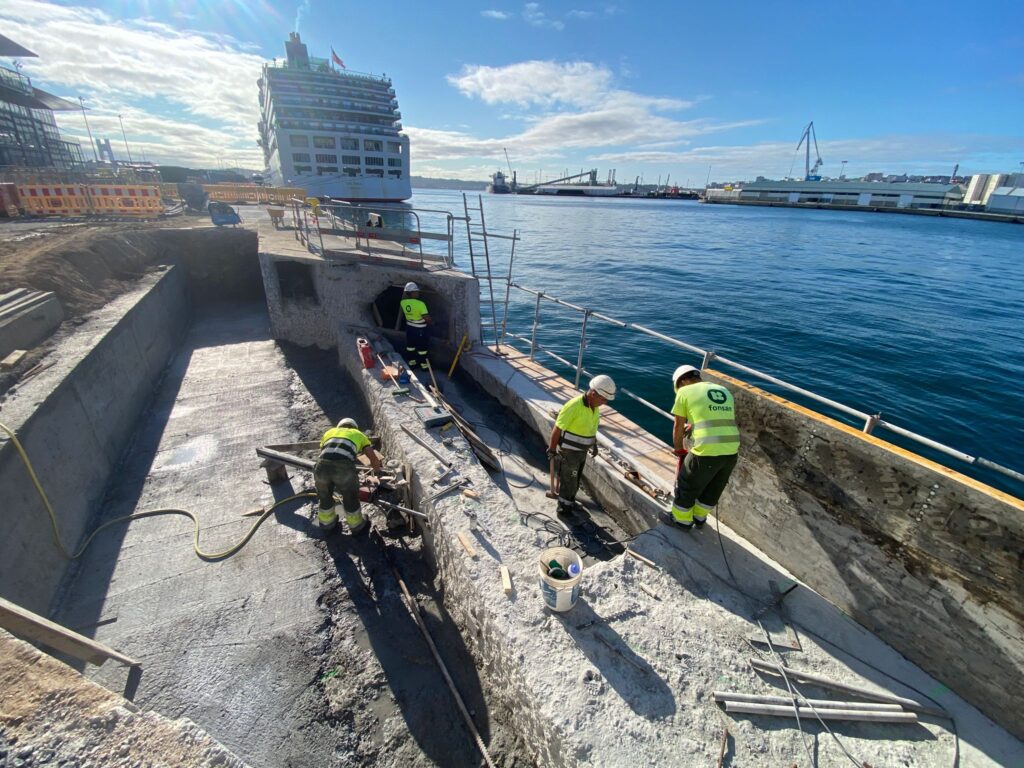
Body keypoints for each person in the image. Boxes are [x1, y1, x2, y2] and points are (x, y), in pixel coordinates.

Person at [668, 365, 741, 529]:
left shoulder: (684, 392)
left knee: (687, 483)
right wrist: (693, 425)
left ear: (683, 381)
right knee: (713, 488)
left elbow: (678, 426)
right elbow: (713, 415)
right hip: (731, 451)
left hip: (706, 450)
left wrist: (679, 449)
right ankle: (699, 518)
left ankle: (681, 521)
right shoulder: (723, 390)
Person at [547, 375, 617, 517]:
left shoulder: (594, 407)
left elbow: (591, 428)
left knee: (575, 479)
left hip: (581, 452)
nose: (605, 403)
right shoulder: (574, 406)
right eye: (603, 399)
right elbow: (558, 428)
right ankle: (564, 511)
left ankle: (569, 502)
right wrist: (552, 448)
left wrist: (594, 444)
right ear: (593, 393)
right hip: (569, 452)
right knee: (569, 482)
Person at [314, 418, 381, 534]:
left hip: (321, 467)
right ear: (354, 427)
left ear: (340, 426)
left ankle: (327, 523)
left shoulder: (329, 432)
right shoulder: (358, 434)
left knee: (324, 494)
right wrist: (377, 471)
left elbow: (324, 451)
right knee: (350, 495)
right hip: (343, 468)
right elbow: (372, 456)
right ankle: (356, 525)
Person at [399, 281, 432, 371]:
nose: (418, 293)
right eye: (416, 291)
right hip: (420, 329)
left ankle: (412, 364)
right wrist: (431, 323)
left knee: (410, 347)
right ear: (412, 293)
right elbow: (426, 318)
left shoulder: (403, 302)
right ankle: (424, 367)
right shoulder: (420, 304)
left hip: (409, 328)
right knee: (422, 349)